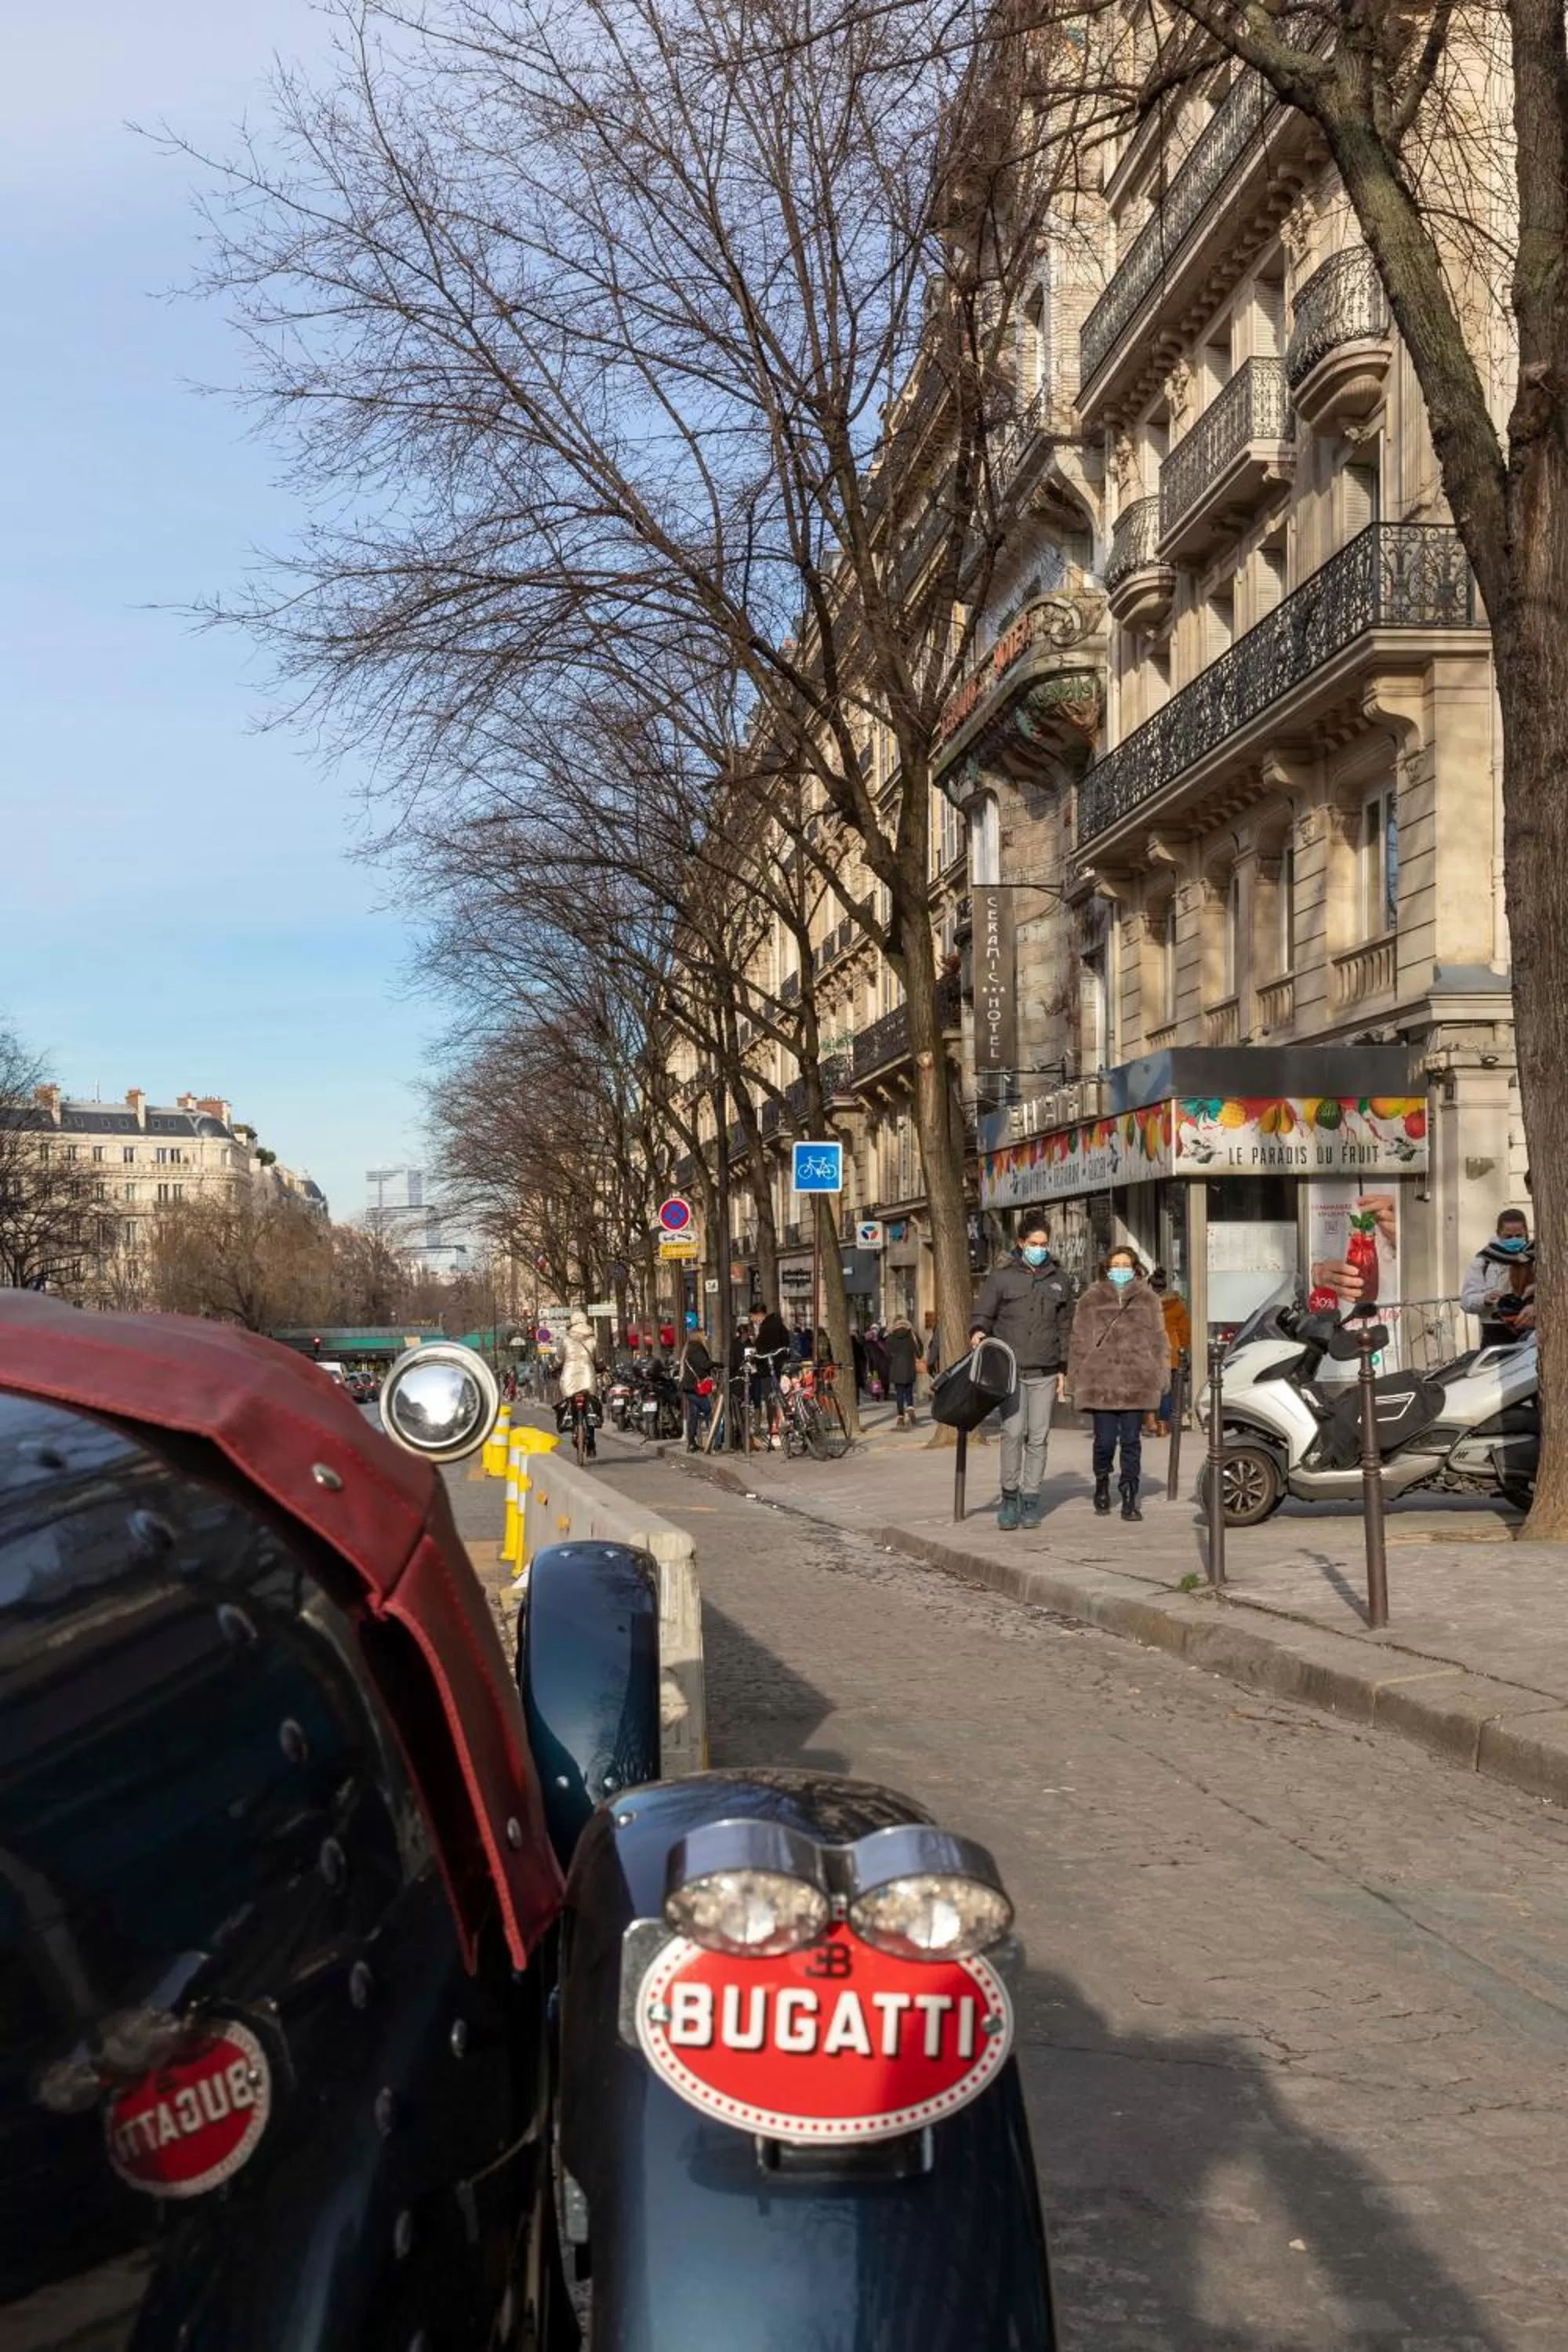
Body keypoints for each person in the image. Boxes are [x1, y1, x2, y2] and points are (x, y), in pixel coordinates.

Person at [969, 1216, 1076, 1530]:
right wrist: (977, 1331)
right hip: (1011, 1371)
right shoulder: (1001, 1278)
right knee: (1013, 1433)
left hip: (1045, 1370)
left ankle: (1031, 1499)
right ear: (1021, 1243)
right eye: (1033, 1244)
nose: (1039, 1250)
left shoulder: (1060, 1280)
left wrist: (1063, 1369)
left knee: (1039, 1437)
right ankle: (1010, 1497)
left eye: (1043, 1245)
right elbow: (983, 1314)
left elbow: (1065, 1327)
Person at [1067, 1247, 1169, 1521]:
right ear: (1107, 1268)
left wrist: (1162, 1372)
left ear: (1136, 1268)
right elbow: (1079, 1341)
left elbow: (1159, 1339)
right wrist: (1074, 1379)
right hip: (1102, 1382)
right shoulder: (1091, 1298)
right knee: (1104, 1442)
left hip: (1137, 1380)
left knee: (1131, 1441)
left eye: (1126, 1264)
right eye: (1117, 1264)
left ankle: (1129, 1495)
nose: (1122, 1269)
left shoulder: (1148, 1299)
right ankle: (1102, 1480)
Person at [1461, 1207, 1537, 1345]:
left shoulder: (1536, 1257)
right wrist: (1484, 1298)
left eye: (1519, 1236)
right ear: (1498, 1234)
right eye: (1508, 1237)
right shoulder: (1485, 1260)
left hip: (1530, 1328)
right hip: (1495, 1331)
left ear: (1526, 1232)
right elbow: (1466, 1302)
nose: (1514, 1240)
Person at [1145, 1266, 1192, 1439]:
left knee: (1149, 1388)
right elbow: (1185, 1331)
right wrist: (1182, 1347)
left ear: (1151, 1287)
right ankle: (1163, 1426)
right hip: (1170, 1351)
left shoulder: (1145, 1305)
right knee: (1166, 1391)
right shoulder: (1177, 1305)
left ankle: (1150, 1420)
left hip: (1149, 1350)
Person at [556, 1310, 601, 1457]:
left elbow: (559, 1359)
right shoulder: (593, 1339)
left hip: (569, 1375)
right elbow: (598, 1358)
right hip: (587, 1374)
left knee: (569, 1401)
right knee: (590, 1405)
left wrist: (554, 1367)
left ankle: (573, 1425)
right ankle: (592, 1442)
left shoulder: (566, 1339)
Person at [677, 1321, 716, 1450]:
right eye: (703, 1334)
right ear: (698, 1335)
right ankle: (714, 1439)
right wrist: (717, 1364)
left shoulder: (689, 1347)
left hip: (689, 1386)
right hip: (694, 1386)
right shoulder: (697, 1347)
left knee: (693, 1415)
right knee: (709, 1410)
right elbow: (704, 1364)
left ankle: (692, 1443)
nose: (705, 1336)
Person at [884, 1316, 925, 1428]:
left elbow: (886, 1354)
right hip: (909, 1367)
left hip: (897, 1369)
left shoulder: (891, 1336)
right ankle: (910, 1407)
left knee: (899, 1393)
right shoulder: (911, 1335)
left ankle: (900, 1417)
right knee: (909, 1390)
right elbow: (919, 1352)